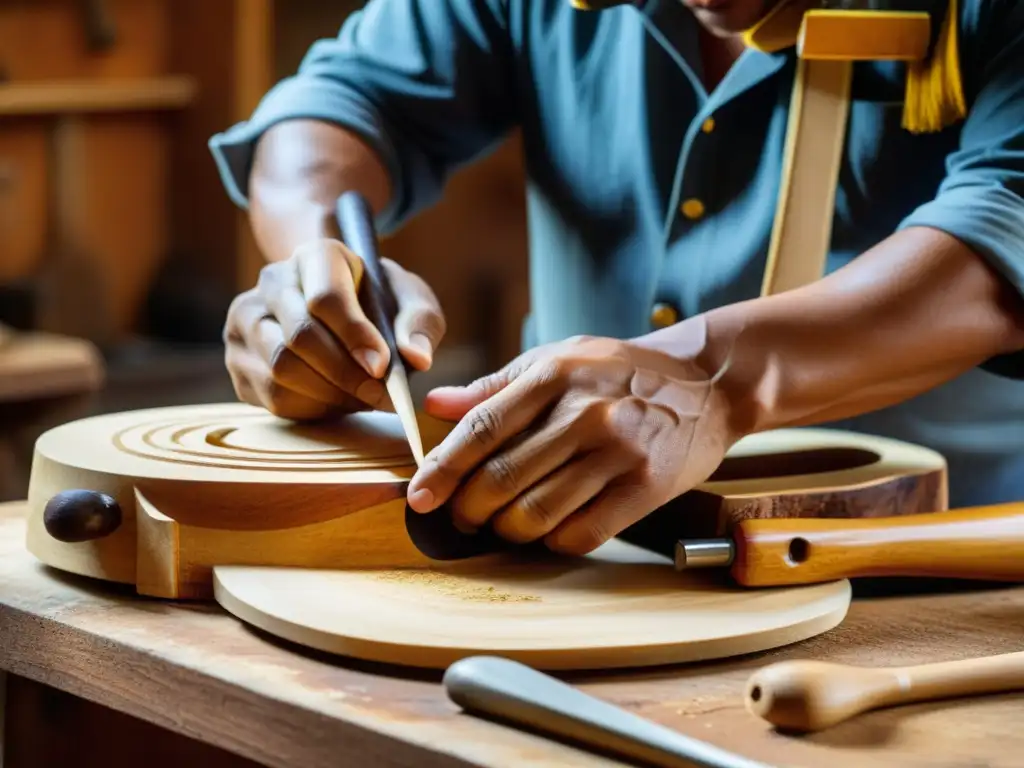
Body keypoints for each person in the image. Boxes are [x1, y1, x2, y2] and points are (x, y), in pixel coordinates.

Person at [209, 0, 1024, 556]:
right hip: (578, 561)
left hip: (932, 566)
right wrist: (318, 272)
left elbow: (1006, 218)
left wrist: (713, 377)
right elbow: (347, 101)